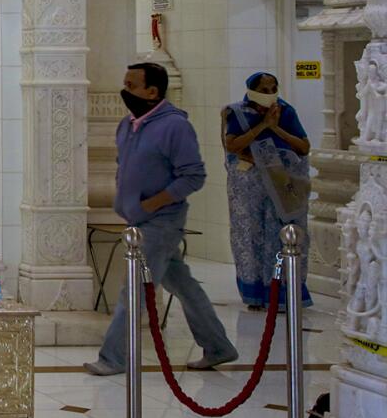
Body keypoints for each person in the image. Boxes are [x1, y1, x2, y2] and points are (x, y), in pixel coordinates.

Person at [85, 62, 238, 376]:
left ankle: (113, 357)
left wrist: (152, 204)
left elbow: (193, 176)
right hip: (137, 221)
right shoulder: (128, 125)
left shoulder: (175, 126)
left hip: (160, 222)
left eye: (131, 85)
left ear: (152, 91)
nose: (124, 90)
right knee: (183, 286)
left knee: (135, 289)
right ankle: (218, 346)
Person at [221, 72, 312, 310]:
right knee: (251, 236)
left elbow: (303, 147)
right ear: (252, 90)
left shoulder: (286, 111)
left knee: (281, 234)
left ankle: (285, 293)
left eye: (273, 88)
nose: (270, 93)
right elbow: (232, 146)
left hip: (281, 182)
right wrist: (263, 126)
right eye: (264, 89)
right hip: (250, 187)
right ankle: (256, 294)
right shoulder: (238, 112)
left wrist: (276, 128)